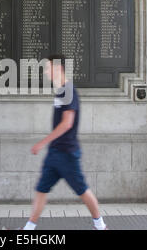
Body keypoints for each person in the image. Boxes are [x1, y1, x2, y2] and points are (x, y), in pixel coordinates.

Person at [22, 54, 107, 231]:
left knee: (82, 190)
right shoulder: (61, 91)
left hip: (67, 153)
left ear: (58, 68)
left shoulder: (69, 90)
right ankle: (28, 229)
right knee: (41, 189)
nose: (46, 72)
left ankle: (101, 227)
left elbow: (67, 123)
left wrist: (42, 142)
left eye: (48, 68)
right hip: (55, 153)